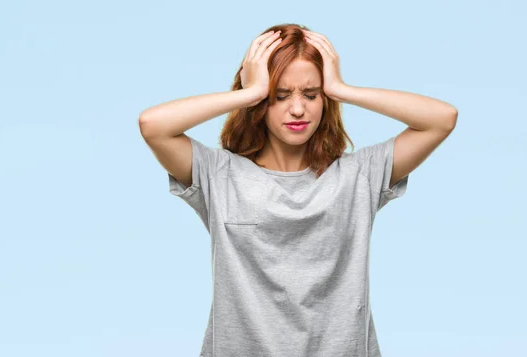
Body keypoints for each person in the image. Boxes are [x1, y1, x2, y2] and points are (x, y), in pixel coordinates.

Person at [139, 23, 457, 357]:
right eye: (279, 96)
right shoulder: (219, 175)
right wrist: (248, 93)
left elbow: (441, 119)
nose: (297, 109)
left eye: (311, 94)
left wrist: (342, 88)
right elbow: (153, 126)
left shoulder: (359, 175)